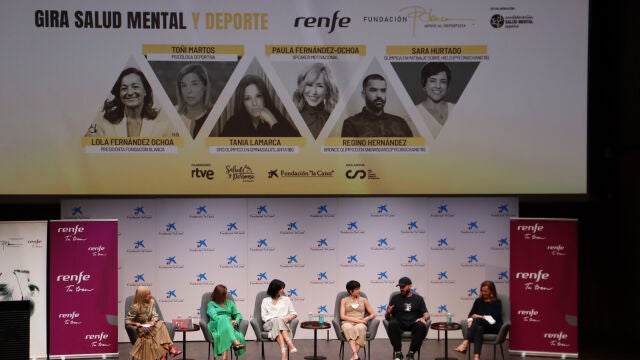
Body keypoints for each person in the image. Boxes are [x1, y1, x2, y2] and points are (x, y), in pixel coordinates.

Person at [89, 67, 177, 137]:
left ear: (145, 91)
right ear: (119, 93)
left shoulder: (162, 125)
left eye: (135, 87)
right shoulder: (104, 125)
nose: (130, 92)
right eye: (124, 88)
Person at [222, 75, 300, 137]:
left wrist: (272, 121)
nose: (254, 103)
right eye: (247, 98)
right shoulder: (233, 123)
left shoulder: (276, 118)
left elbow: (298, 149)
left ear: (264, 97)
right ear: (242, 102)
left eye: (258, 96)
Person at [341, 73, 412, 137]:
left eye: (383, 90)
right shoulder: (351, 124)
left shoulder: (400, 122)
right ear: (363, 94)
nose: (379, 95)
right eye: (373, 90)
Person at [125, 286, 182, 360]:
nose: (150, 295)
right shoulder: (136, 307)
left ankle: (165, 354)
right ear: (143, 295)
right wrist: (135, 324)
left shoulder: (151, 302)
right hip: (143, 329)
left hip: (152, 326)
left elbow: (155, 315)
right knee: (161, 324)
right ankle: (169, 349)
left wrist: (153, 321)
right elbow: (127, 321)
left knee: (160, 323)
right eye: (148, 294)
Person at [454, 280, 503, 360]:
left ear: (491, 290)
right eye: (482, 291)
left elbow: (494, 318)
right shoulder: (478, 301)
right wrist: (471, 320)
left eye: (485, 291)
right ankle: (476, 357)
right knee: (478, 328)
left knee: (477, 320)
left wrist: (479, 316)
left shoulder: (497, 302)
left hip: (494, 326)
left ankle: (465, 343)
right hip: (482, 326)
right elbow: (471, 314)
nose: (483, 293)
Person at [385, 277, 429, 360]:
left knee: (421, 326)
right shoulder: (395, 298)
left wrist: (423, 318)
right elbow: (387, 317)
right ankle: (398, 353)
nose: (401, 289)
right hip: (399, 323)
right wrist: (388, 312)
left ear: (410, 286)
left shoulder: (418, 299)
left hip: (414, 323)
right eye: (400, 287)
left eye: (403, 287)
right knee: (392, 323)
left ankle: (411, 353)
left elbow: (427, 314)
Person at [292, 62, 339, 139]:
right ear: (302, 87)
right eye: (309, 85)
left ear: (327, 89)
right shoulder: (293, 117)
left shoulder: (335, 118)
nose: (313, 92)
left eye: (320, 86)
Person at [261, 279, 298, 360]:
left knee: (278, 323)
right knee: (276, 320)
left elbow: (294, 313)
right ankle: (289, 343)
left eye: (283, 288)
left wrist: (289, 318)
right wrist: (274, 319)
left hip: (283, 324)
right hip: (269, 324)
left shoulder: (286, 299)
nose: (283, 290)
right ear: (275, 289)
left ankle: (283, 353)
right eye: (281, 288)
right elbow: (263, 316)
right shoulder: (265, 301)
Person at [207, 284, 246, 360]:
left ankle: (225, 355)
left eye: (226, 294)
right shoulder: (211, 304)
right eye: (224, 295)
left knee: (226, 324)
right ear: (218, 295)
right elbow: (215, 317)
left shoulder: (230, 303)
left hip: (229, 326)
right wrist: (227, 319)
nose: (226, 296)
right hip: (216, 325)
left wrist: (236, 320)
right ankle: (235, 341)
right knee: (224, 319)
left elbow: (238, 315)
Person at [416, 62, 455, 139]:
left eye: (443, 81)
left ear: (447, 85)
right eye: (433, 81)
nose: (438, 86)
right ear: (424, 84)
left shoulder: (457, 109)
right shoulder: (414, 113)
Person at [340, 280, 376, 360]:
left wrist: (367, 318)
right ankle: (355, 354)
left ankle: (354, 357)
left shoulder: (363, 300)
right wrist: (359, 321)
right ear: (350, 291)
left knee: (360, 328)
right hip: (348, 322)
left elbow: (373, 314)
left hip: (361, 323)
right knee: (347, 328)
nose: (358, 291)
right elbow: (342, 316)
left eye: (359, 288)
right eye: (356, 289)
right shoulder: (344, 300)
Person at [175, 63, 213, 138]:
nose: (188, 91)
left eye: (194, 84)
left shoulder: (215, 116)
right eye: (184, 85)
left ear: (205, 86)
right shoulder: (172, 114)